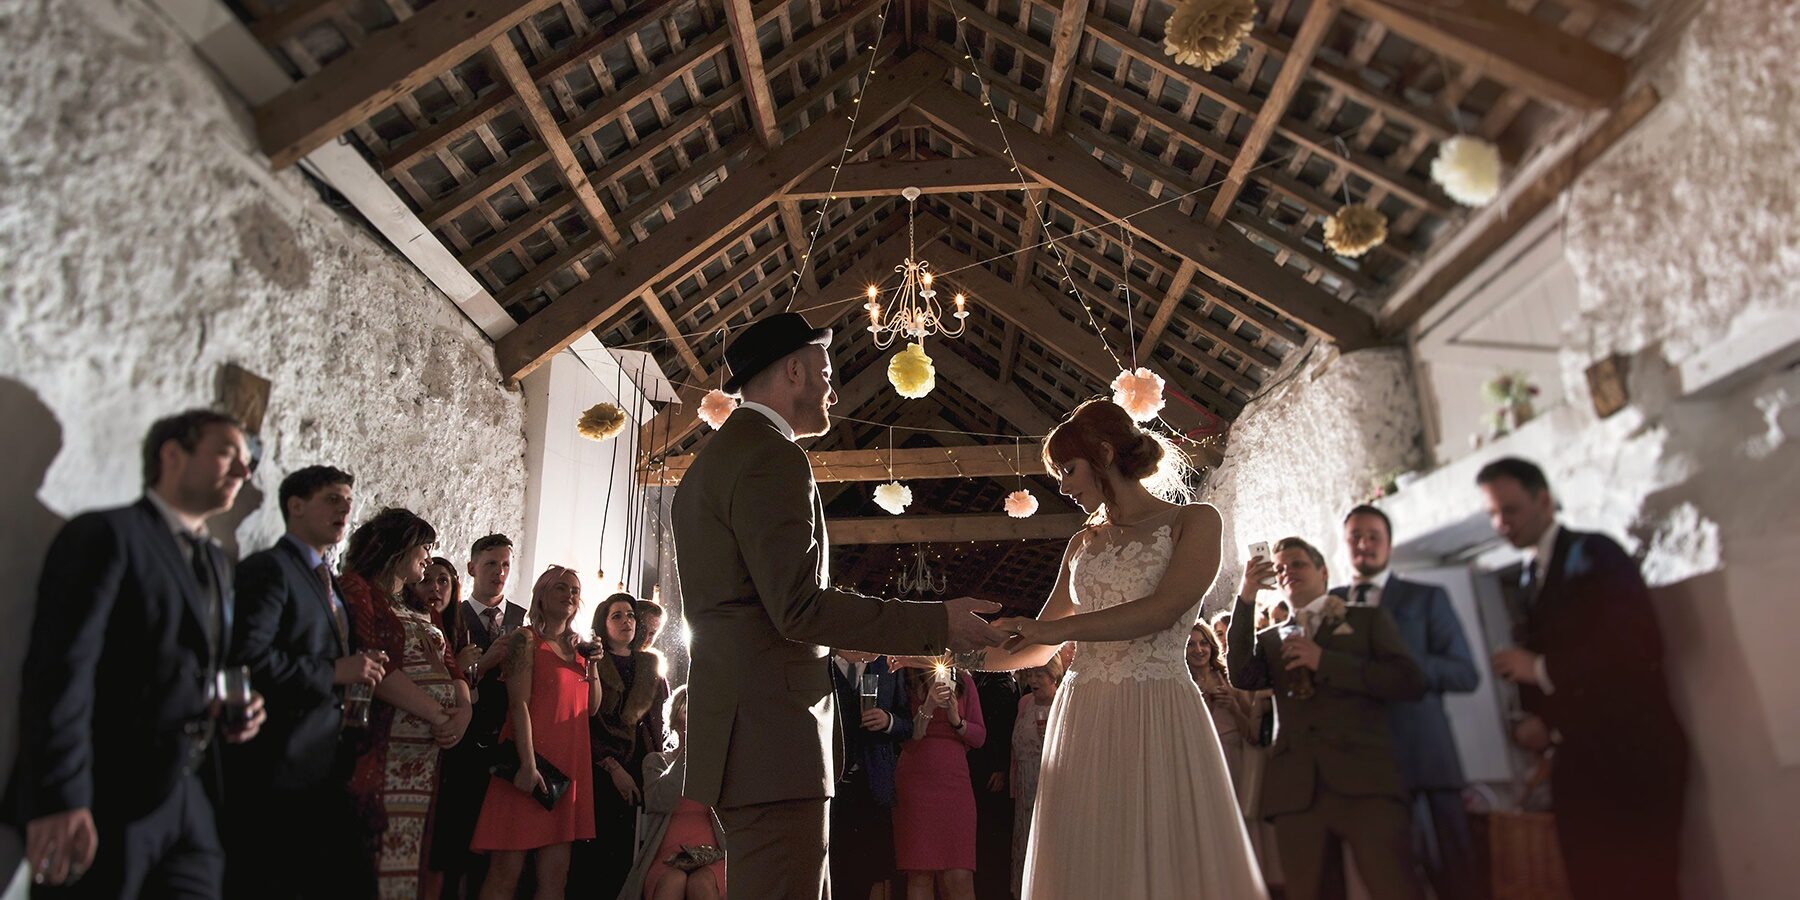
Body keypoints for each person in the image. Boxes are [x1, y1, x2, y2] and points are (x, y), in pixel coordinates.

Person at [669, 311, 1005, 899]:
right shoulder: (772, 456)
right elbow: (797, 608)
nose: (835, 388)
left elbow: (757, 606)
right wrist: (935, 622)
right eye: (826, 371)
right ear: (794, 371)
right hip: (774, 735)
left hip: (742, 732)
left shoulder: (712, 463)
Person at [957, 398, 1264, 899]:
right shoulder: (1082, 543)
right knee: (1091, 861)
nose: (1062, 486)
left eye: (1068, 469)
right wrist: (950, 659)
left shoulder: (1196, 521)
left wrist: (1051, 633)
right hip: (1085, 714)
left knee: (1160, 852)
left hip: (1158, 705)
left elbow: (1162, 610)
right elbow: (1032, 648)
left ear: (1103, 453)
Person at [16, 409, 267, 897]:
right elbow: (62, 670)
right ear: (173, 455)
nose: (243, 471)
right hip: (109, 790)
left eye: (246, 461)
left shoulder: (215, 560)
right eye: (226, 454)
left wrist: (226, 708)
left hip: (191, 794)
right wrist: (62, 797)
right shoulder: (106, 535)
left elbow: (193, 662)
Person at [1477, 458, 1689, 900]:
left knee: (1645, 886)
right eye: (1492, 515)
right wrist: (1542, 722)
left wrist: (1536, 669)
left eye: (1510, 510)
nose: (1501, 524)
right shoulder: (1529, 574)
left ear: (1544, 500)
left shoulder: (1593, 553)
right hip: (1580, 762)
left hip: (1632, 755)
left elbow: (1638, 646)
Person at [1227, 537, 1426, 900]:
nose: (1287, 571)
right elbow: (1241, 675)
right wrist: (1247, 595)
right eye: (1281, 567)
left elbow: (1407, 682)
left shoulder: (1366, 619)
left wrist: (1325, 661)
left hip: (1366, 782)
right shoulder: (1273, 640)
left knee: (1393, 886)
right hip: (1296, 791)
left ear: (1322, 571)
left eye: (1297, 564)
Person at [225, 465, 384, 899]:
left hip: (325, 762)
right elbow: (248, 658)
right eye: (333, 499)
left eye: (349, 502)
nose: (344, 509)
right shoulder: (270, 570)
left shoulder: (326, 580)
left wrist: (358, 668)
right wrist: (336, 671)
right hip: (279, 760)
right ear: (295, 506)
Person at [1333, 505, 1484, 900]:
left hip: (1424, 763)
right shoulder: (1328, 604)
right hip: (1360, 772)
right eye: (1355, 537)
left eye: (1373, 536)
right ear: (1344, 543)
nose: (1363, 545)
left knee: (1456, 878)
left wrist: (1401, 663)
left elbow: (1464, 674)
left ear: (1389, 544)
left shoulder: (1426, 598)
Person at [340, 508, 473, 898]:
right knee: (383, 857)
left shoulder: (419, 606)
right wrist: (437, 714)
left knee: (419, 857)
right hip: (387, 748)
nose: (428, 558)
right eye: (423, 549)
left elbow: (452, 665)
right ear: (398, 548)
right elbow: (372, 661)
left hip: (430, 754)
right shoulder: (360, 590)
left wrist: (463, 711)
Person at [470, 566, 603, 900]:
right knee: (505, 874)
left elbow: (592, 708)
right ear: (542, 595)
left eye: (574, 589)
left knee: (555, 879)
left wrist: (595, 665)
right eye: (561, 588)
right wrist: (528, 766)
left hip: (567, 766)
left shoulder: (578, 649)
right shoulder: (524, 639)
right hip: (529, 760)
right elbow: (519, 705)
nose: (570, 595)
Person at [436, 533, 524, 897]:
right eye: (491, 564)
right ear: (472, 568)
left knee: (496, 845)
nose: (499, 572)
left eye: (505, 564)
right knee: (455, 839)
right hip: (462, 743)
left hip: (505, 743)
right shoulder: (450, 615)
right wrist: (481, 667)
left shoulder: (521, 617)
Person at [574, 593, 671, 896]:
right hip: (598, 764)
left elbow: (659, 724)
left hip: (641, 765)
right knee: (593, 853)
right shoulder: (589, 660)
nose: (627, 621)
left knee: (628, 853)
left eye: (630, 615)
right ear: (603, 622)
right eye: (617, 615)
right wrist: (612, 766)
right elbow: (583, 721)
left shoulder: (650, 665)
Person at [618, 686, 726, 900]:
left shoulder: (718, 765)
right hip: (667, 857)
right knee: (672, 883)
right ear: (675, 720)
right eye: (689, 712)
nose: (696, 720)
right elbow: (659, 800)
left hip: (714, 857)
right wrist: (688, 753)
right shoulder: (656, 762)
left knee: (701, 884)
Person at [893, 667, 985, 900]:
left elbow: (979, 736)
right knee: (920, 873)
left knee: (960, 873)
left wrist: (956, 720)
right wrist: (928, 706)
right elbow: (907, 740)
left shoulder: (963, 679)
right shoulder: (904, 677)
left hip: (955, 782)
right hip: (916, 783)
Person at [827, 650, 911, 900]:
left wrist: (888, 721)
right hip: (832, 784)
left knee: (874, 869)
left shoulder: (887, 667)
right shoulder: (822, 664)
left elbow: (907, 722)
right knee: (834, 867)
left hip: (874, 781)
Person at [1007, 658, 1060, 899]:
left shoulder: (1063, 704)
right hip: (1025, 784)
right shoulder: (1024, 703)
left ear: (1053, 676)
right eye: (1032, 674)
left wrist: (1050, 737)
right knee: (1024, 845)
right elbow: (1014, 751)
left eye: (1041, 674)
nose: (1034, 680)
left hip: (1052, 786)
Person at [1187, 623, 1253, 792]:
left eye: (1204, 643)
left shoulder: (1228, 678)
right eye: (1191, 644)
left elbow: (1252, 732)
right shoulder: (1183, 687)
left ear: (1212, 645)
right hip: (1198, 761)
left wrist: (1233, 707)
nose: (1199, 650)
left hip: (1234, 757)